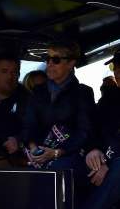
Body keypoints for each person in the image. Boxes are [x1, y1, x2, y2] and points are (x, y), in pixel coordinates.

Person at [70, 50, 120, 209]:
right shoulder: (109, 99)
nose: (117, 70)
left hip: (114, 164)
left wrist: (106, 159)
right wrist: (93, 150)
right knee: (64, 167)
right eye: (114, 66)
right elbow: (92, 129)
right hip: (100, 161)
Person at [21, 40, 95, 170]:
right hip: (37, 157)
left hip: (69, 158)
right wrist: (33, 149)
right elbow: (28, 124)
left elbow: (84, 132)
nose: (49, 64)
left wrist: (57, 152)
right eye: (47, 59)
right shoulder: (37, 92)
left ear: (71, 63)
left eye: (55, 60)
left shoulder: (83, 93)